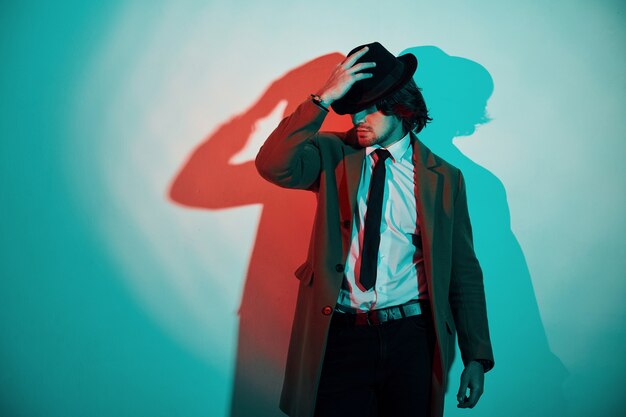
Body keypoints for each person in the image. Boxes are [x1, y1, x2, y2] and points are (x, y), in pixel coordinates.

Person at [255, 42, 495, 417]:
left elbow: (463, 271)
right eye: (353, 108)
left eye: (369, 108)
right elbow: (273, 166)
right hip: (341, 334)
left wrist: (476, 356)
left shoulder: (444, 179)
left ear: (400, 107)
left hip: (413, 338)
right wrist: (320, 100)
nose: (357, 119)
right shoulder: (331, 153)